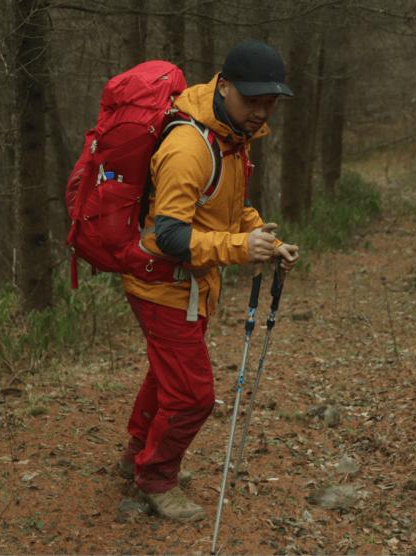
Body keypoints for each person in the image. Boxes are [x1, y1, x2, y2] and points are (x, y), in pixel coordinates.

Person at [118, 39, 300, 521]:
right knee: (193, 396)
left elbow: (229, 208)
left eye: (270, 102)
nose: (262, 111)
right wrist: (240, 248)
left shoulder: (231, 138)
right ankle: (155, 478)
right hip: (162, 285)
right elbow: (170, 234)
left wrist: (260, 234)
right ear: (224, 87)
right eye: (252, 99)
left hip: (190, 286)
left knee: (168, 374)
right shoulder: (188, 147)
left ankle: (134, 453)